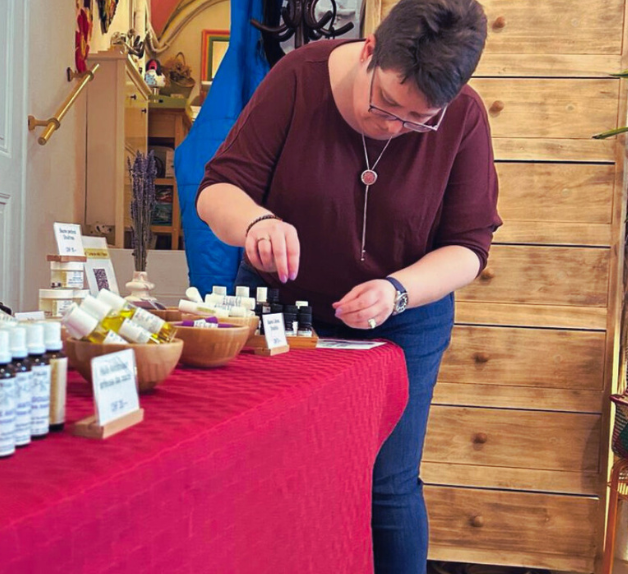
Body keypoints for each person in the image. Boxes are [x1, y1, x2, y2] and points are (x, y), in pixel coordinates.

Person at [195, 0, 500, 572]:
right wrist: (257, 222)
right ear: (368, 53)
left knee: (387, 481)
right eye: (386, 104)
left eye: (418, 119)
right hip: (282, 305)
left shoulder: (463, 118)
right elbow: (216, 192)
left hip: (403, 316)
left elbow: (468, 248)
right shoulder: (299, 78)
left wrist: (398, 290)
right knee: (269, 466)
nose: (395, 126)